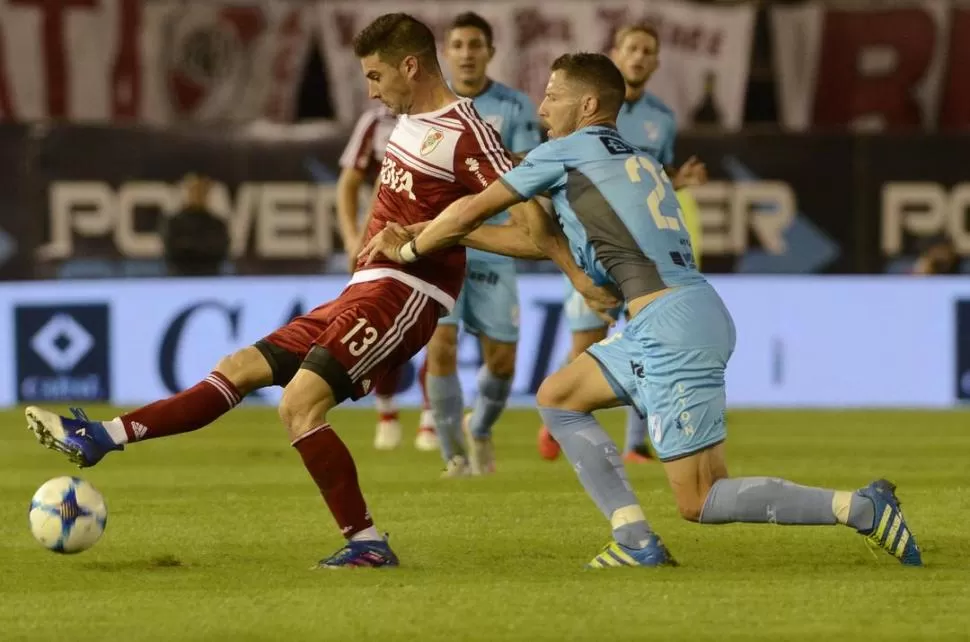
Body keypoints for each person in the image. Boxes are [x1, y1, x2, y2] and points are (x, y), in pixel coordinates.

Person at [24, 14, 613, 569]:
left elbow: (533, 230)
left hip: (406, 294)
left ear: (410, 66)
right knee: (239, 367)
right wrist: (425, 232)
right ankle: (102, 436)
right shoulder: (404, 122)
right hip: (362, 289)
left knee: (299, 405)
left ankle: (367, 543)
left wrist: (556, 268)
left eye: (375, 76)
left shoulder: (465, 130)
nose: (372, 91)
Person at [360, 52, 922, 569]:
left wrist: (411, 247)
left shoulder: (564, 152)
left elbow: (471, 210)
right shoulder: (640, 162)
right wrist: (444, 236)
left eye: (553, 95)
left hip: (672, 325)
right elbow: (534, 241)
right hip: (666, 317)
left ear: (587, 105)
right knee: (558, 397)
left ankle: (861, 508)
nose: (541, 106)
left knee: (701, 499)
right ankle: (635, 540)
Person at [538, 22, 707, 465]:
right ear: (616, 52)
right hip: (594, 246)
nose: (639, 57)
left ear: (656, 61)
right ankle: (557, 412)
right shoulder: (582, 107)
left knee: (646, 338)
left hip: (642, 253)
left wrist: (679, 180)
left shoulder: (662, 119)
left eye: (647, 51)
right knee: (584, 347)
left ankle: (636, 444)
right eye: (631, 48)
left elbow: (649, 180)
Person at [418, 12, 542, 477]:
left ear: (490, 52)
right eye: (459, 45)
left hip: (495, 244)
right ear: (446, 53)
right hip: (442, 243)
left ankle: (482, 428)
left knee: (503, 359)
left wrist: (490, 160)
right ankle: (454, 455)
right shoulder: (428, 107)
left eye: (476, 45)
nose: (467, 53)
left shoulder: (513, 105)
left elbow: (532, 166)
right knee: (442, 347)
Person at [336, 102, 439, 453]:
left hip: (433, 237)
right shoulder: (375, 122)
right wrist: (353, 238)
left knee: (440, 335)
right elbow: (349, 183)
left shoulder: (445, 119)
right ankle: (387, 413)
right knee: (385, 334)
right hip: (381, 242)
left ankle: (430, 418)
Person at [161, 174, 230, 277]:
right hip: (180, 277)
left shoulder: (217, 224)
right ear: (188, 191)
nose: (197, 193)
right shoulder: (174, 223)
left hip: (209, 277)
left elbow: (219, 251)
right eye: (194, 189)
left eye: (201, 190)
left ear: (207, 192)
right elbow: (171, 251)